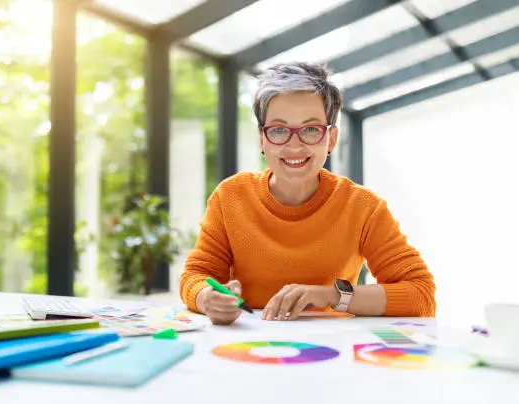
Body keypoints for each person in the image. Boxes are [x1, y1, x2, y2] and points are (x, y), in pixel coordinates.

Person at [179, 62, 435, 325]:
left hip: (331, 352)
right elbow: (195, 276)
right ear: (262, 139)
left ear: (331, 139)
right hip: (244, 348)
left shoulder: (363, 207)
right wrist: (207, 297)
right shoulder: (230, 196)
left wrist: (331, 296)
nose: (294, 145)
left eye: (310, 129)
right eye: (278, 130)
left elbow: (421, 295)